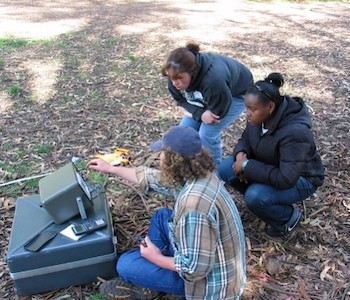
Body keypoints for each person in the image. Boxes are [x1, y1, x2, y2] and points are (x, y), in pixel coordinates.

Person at [88, 126, 246, 300]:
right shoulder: (200, 174)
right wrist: (111, 169)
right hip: (209, 259)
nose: (159, 157)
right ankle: (152, 272)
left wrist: (156, 258)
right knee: (162, 216)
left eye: (163, 153)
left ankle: (151, 274)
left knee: (125, 265)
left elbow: (195, 270)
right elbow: (153, 178)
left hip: (209, 287)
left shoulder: (194, 207)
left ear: (174, 160)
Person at [217, 72, 324, 237]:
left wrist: (247, 166)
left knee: (255, 195)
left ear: (271, 107)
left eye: (251, 109)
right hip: (273, 164)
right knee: (225, 169)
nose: (247, 113)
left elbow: (286, 178)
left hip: (301, 178)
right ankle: (265, 201)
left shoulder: (295, 132)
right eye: (246, 107)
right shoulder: (259, 115)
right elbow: (246, 138)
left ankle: (287, 218)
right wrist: (240, 156)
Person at [161, 42, 253, 166]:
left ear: (192, 72)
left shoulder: (213, 81)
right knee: (184, 130)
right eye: (171, 78)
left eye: (179, 78)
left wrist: (196, 113)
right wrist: (200, 113)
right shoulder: (175, 73)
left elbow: (217, 113)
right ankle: (185, 166)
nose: (174, 83)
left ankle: (213, 173)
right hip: (212, 95)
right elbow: (181, 101)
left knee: (206, 134)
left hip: (237, 94)